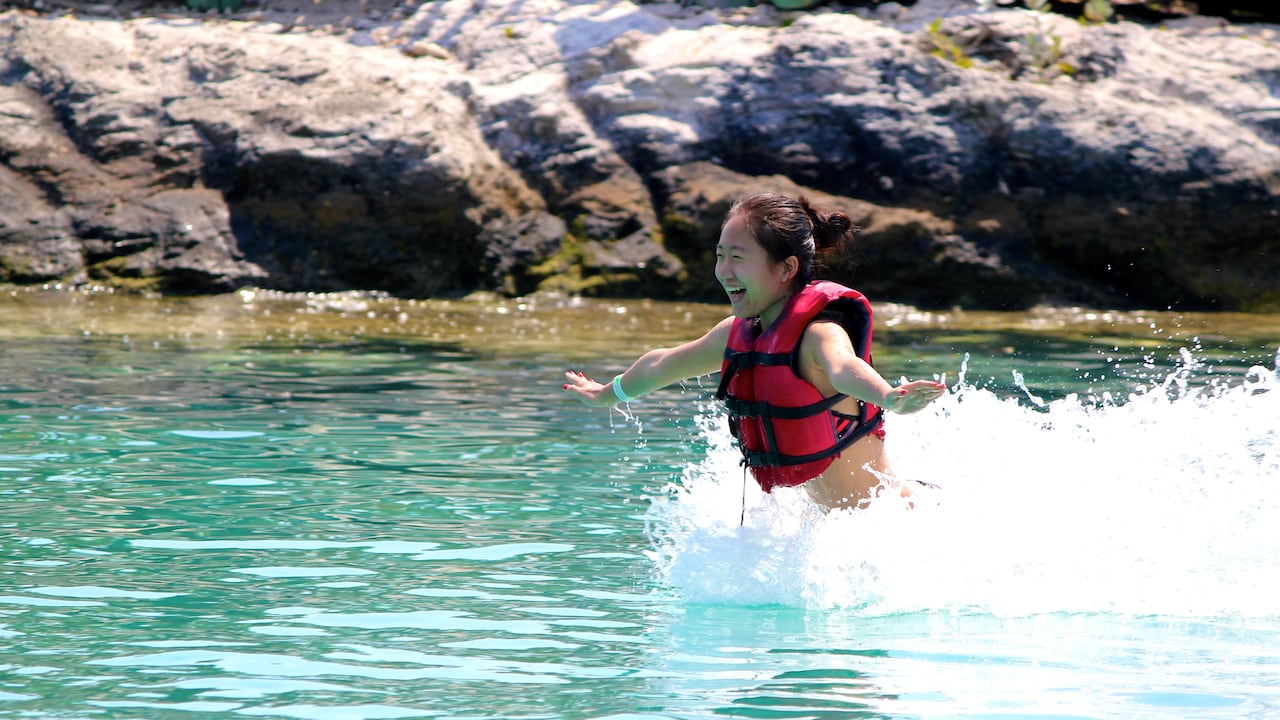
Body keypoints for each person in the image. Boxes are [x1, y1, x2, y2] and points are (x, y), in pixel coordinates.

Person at [563, 192, 946, 510]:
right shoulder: (736, 335)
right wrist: (605, 394)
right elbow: (664, 363)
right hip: (839, 533)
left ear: (786, 268)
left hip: (904, 522)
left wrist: (889, 398)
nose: (724, 272)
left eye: (738, 258)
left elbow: (845, 368)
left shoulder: (819, 336)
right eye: (720, 256)